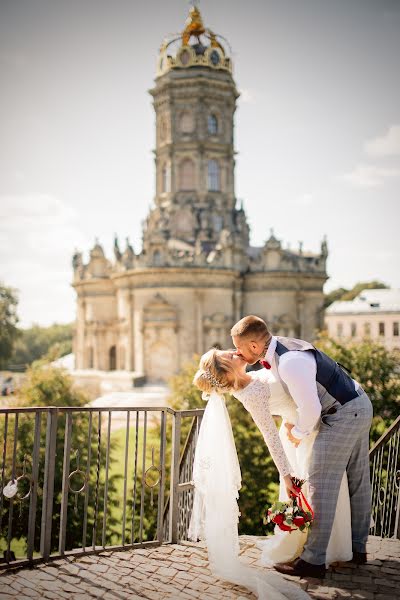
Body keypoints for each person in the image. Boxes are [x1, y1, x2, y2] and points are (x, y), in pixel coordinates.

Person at [230, 315, 373, 579]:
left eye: (238, 348)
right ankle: (358, 548)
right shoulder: (281, 350)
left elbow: (311, 409)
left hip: (342, 413)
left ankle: (313, 561)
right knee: (358, 479)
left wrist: (297, 432)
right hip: (357, 403)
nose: (236, 353)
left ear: (252, 345)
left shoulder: (290, 363)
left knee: (320, 485)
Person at [190, 348, 310, 600]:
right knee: (311, 494)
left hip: (300, 429)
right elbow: (268, 433)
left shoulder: (253, 375)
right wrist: (286, 474)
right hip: (300, 436)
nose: (235, 351)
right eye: (229, 356)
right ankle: (316, 552)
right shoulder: (248, 393)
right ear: (227, 370)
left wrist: (290, 418)